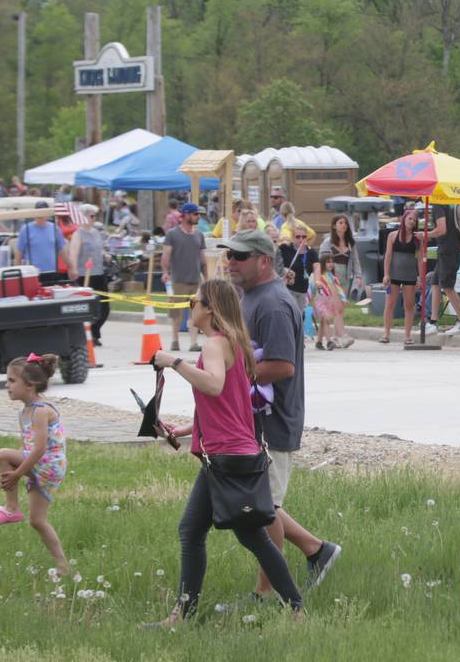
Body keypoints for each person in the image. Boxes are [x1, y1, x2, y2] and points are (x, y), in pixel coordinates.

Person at [146, 279, 304, 626]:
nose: (191, 307)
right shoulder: (234, 342)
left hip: (226, 458)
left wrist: (174, 362)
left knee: (241, 536)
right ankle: (184, 614)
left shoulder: (215, 345)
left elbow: (214, 385)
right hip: (230, 453)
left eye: (195, 302)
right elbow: (229, 405)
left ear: (210, 309)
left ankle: (296, 610)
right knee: (199, 531)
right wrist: (186, 429)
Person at [217, 229, 342, 599]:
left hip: (271, 421)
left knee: (264, 509)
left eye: (239, 256)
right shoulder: (251, 297)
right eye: (229, 255)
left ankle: (266, 592)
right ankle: (317, 550)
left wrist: (229, 379)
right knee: (256, 504)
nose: (231, 262)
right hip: (250, 422)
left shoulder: (272, 304)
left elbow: (282, 366)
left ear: (263, 261)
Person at [0, 354, 70, 575]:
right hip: (40, 464)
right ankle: (63, 566)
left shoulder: (41, 410)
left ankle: (11, 508)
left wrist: (18, 473)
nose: (6, 385)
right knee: (37, 521)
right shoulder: (24, 412)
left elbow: (39, 449)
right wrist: (25, 472)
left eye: (11, 380)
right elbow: (25, 447)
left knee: (2, 455)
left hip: (49, 464)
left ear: (30, 385)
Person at [162, 202, 206, 352]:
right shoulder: (172, 234)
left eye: (198, 214)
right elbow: (166, 254)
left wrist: (206, 278)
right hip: (178, 280)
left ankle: (193, 343)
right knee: (176, 313)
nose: (198, 217)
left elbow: (202, 258)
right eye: (195, 214)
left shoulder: (199, 235)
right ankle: (175, 341)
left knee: (195, 312)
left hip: (195, 280)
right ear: (186, 215)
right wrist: (165, 272)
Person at [426, 205, 460, 335]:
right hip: (449, 247)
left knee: (447, 287)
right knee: (435, 283)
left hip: (448, 249)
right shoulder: (448, 204)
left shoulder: (438, 207)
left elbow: (441, 229)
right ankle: (433, 322)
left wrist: (425, 234)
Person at [67, 205, 110, 347]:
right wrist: (73, 269)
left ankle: (94, 331)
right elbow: (73, 254)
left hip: (99, 274)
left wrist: (105, 255)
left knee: (104, 307)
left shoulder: (96, 232)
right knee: (87, 307)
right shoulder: (78, 234)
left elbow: (100, 249)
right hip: (84, 275)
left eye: (95, 216)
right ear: (83, 217)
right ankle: (88, 335)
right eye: (92, 216)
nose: (94, 219)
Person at [383, 208, 426, 344]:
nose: (412, 222)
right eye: (410, 218)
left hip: (410, 276)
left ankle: (407, 336)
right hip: (394, 275)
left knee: (409, 305)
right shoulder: (392, 236)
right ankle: (386, 334)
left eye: (414, 220)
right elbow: (388, 256)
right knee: (390, 304)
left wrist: (420, 278)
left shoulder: (417, 238)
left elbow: (420, 259)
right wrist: (386, 274)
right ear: (404, 219)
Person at [311, 253, 353, 350]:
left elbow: (339, 288)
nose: (331, 264)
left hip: (329, 302)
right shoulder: (319, 273)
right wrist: (320, 290)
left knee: (323, 321)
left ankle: (319, 342)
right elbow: (315, 284)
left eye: (332, 262)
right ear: (323, 263)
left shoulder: (332, 276)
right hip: (320, 301)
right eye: (328, 262)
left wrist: (343, 299)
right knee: (326, 319)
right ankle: (329, 342)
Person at [279, 226, 317, 311]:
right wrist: (282, 242)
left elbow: (317, 267)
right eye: (298, 237)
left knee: (299, 314)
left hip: (303, 290)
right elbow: (275, 258)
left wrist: (318, 281)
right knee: (291, 312)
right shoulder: (286, 248)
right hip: (288, 288)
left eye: (304, 237)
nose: (301, 239)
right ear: (293, 237)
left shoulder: (311, 252)